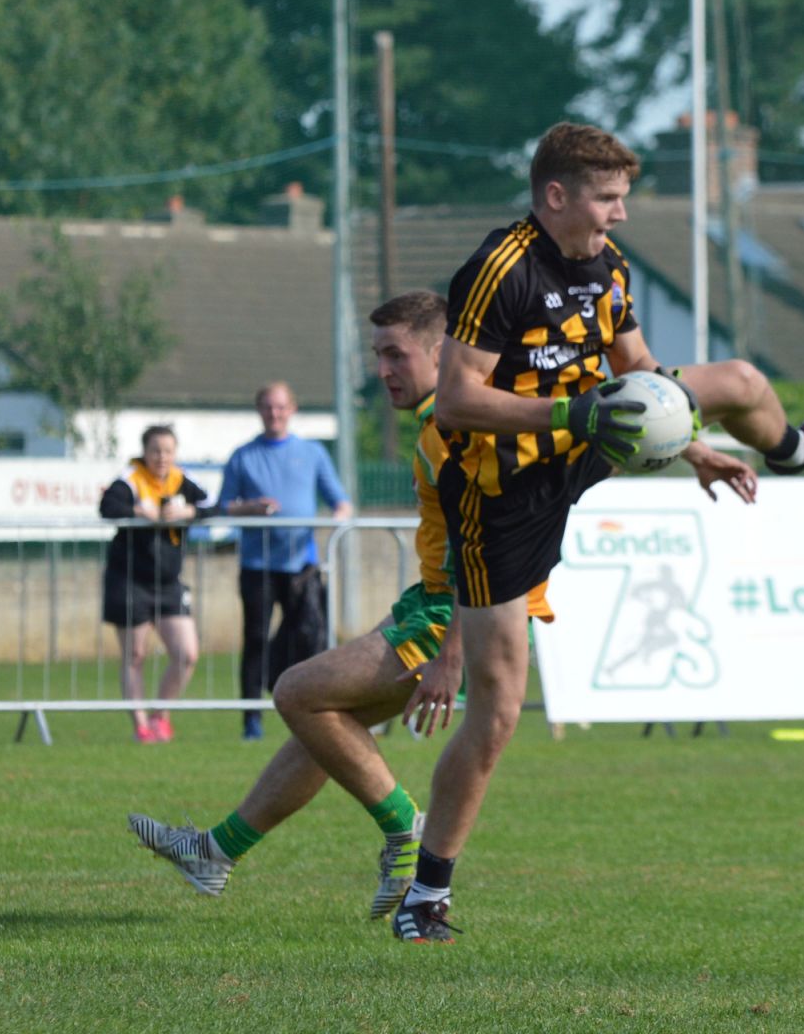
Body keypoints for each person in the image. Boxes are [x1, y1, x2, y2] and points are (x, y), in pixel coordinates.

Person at [391, 120, 804, 943]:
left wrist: (691, 445)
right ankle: (425, 897)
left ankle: (794, 446)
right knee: (501, 708)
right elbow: (454, 401)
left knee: (738, 379)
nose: (620, 215)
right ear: (556, 196)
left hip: (585, 439)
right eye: (608, 199)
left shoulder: (610, 268)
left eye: (624, 198)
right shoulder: (500, 268)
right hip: (499, 487)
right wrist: (572, 411)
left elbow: (639, 375)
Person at [127, 289, 759, 914]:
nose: (383, 371)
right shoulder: (464, 418)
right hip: (431, 601)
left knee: (297, 692)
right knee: (325, 723)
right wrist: (694, 449)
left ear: (440, 353)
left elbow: (487, 549)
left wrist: (451, 653)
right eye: (378, 356)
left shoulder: (461, 428)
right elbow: (602, 430)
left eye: (396, 355)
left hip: (457, 610)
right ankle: (216, 852)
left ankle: (404, 830)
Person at [218, 380, 353, 740]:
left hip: (301, 565)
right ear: (259, 410)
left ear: (292, 409)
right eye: (267, 407)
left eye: (280, 407)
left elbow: (340, 500)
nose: (274, 414)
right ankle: (251, 720)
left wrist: (339, 518)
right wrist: (251, 508)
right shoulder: (242, 456)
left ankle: (313, 712)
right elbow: (223, 506)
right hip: (257, 565)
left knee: (310, 636)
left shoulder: (312, 453)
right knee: (256, 639)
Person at [100, 425, 212, 743]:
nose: (161, 457)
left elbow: (215, 505)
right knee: (135, 655)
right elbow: (107, 508)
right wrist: (137, 511)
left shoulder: (183, 481)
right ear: (144, 452)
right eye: (155, 450)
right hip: (130, 580)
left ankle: (160, 716)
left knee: (186, 653)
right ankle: (141, 726)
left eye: (167, 450)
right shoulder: (130, 479)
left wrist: (189, 511)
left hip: (168, 583)